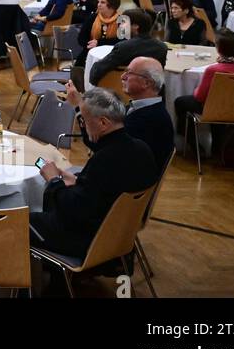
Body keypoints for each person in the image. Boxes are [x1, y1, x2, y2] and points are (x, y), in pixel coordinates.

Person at [30, 90, 157, 261]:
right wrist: (78, 182)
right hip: (120, 233)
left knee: (17, 222)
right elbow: (105, 191)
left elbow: (73, 211)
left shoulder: (105, 159)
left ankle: (27, 284)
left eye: (83, 120)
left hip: (88, 240)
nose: (81, 125)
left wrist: (54, 181)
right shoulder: (142, 149)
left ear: (103, 123)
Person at [173, 30, 234, 157]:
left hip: (215, 109)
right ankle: (217, 148)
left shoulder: (213, 69)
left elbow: (199, 97)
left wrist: (195, 89)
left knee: (180, 102)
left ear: (218, 48)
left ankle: (192, 142)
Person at [87, 9, 168, 87]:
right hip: (151, 93)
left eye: (123, 22)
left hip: (122, 92)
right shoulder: (162, 48)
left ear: (136, 26)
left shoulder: (124, 47)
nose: (120, 25)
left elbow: (96, 72)